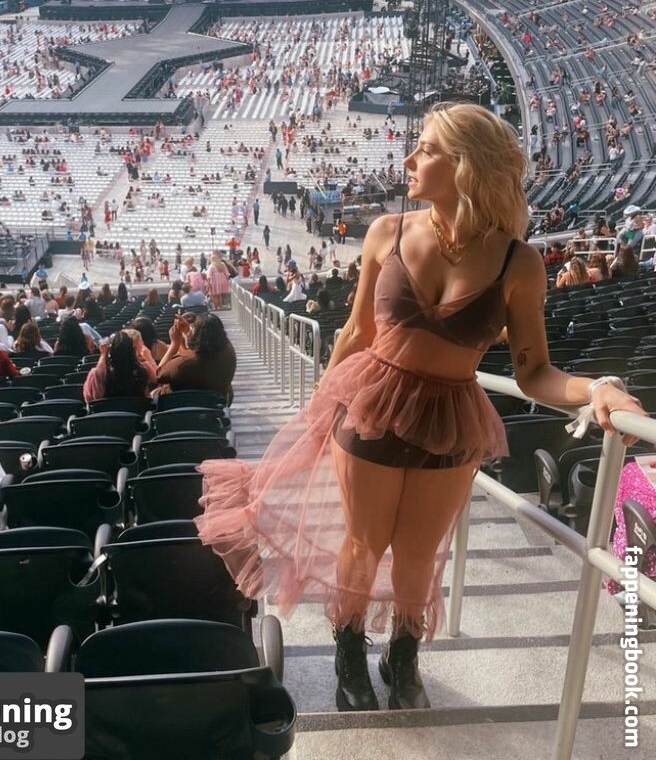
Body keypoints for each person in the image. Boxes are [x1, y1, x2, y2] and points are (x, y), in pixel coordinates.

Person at [193, 102, 646, 714]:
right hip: (371, 405)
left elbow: (534, 372)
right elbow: (356, 333)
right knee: (363, 544)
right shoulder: (388, 231)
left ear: (466, 166)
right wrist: (319, 407)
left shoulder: (519, 262)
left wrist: (598, 389)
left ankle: (402, 656)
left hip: (451, 420)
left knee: (417, 556)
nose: (408, 160)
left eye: (426, 149)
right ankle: (349, 654)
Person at [156, 312, 236, 400]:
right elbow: (192, 352)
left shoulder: (183, 363)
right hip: (216, 400)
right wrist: (187, 335)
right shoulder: (228, 351)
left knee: (155, 393)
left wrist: (174, 345)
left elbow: (159, 375)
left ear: (198, 335)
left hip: (182, 402)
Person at [82, 330, 154, 403]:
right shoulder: (141, 371)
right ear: (132, 351)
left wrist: (104, 355)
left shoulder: (97, 374)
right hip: (136, 409)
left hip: (106, 410)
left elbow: (89, 399)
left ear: (110, 352)